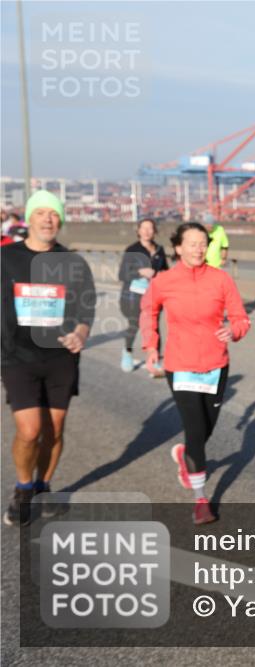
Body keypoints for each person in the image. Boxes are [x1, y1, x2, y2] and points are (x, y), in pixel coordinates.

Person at [140, 222, 250, 524]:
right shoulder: (164, 281)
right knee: (195, 429)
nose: (199, 248)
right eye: (192, 243)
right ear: (178, 248)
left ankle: (185, 455)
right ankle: (201, 499)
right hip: (181, 366)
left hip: (216, 365)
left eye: (203, 243)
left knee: (206, 428)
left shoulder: (221, 279)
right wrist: (151, 346)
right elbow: (148, 311)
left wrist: (235, 330)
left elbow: (241, 317)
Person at [1, 191, 95, 526]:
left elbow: (86, 309)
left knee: (54, 430)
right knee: (30, 431)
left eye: (53, 214)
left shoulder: (73, 262)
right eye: (40, 213)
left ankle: (43, 487)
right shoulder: (6, 258)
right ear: (29, 218)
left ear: (60, 220)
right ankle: (24, 488)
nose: (47, 219)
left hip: (59, 357)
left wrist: (81, 334)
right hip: (16, 357)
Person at [117, 218, 168, 375]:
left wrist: (159, 274)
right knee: (134, 325)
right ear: (138, 230)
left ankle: (154, 361)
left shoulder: (159, 250)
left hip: (153, 295)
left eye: (150, 228)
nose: (146, 231)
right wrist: (140, 272)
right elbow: (122, 275)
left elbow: (166, 271)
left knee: (154, 328)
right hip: (133, 296)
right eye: (143, 228)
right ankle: (127, 353)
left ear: (155, 231)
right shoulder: (132, 249)